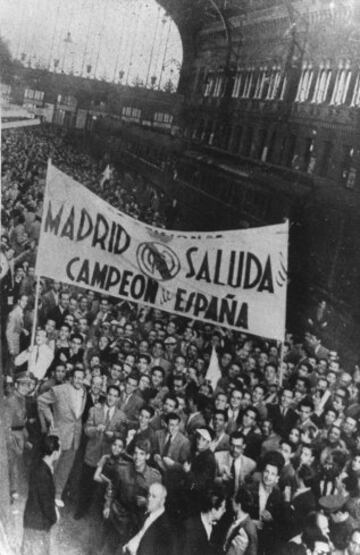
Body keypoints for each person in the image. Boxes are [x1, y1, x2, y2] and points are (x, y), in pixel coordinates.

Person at [37, 367, 87, 506]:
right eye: (76, 377)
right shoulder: (60, 389)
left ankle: (57, 494)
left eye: (81, 378)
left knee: (65, 468)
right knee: (52, 466)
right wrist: (51, 420)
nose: (78, 380)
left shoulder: (84, 392)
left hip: (74, 437)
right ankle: (43, 494)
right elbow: (41, 400)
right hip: (59, 434)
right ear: (71, 378)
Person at [21, 435, 61, 555]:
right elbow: (46, 503)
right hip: (38, 526)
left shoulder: (39, 466)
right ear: (54, 453)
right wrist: (55, 516)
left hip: (31, 520)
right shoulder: (43, 474)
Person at [123, 482, 174, 555]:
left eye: (154, 496)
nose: (149, 499)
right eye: (149, 495)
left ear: (162, 501)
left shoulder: (164, 527)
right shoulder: (146, 512)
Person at [182, 489, 226, 555]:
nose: (225, 511)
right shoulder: (189, 526)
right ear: (213, 510)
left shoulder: (217, 527)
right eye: (223, 508)